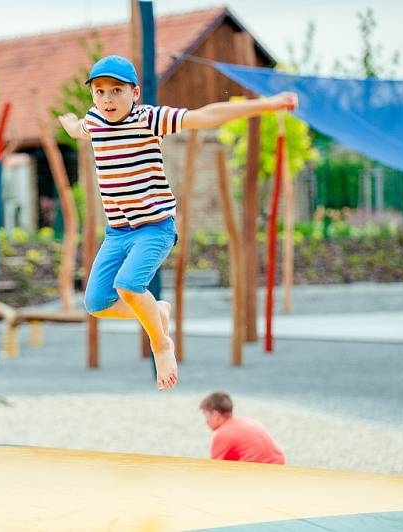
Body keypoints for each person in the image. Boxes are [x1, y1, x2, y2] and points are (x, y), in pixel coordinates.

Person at [59, 55, 297, 390]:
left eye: (116, 90)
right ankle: (158, 313)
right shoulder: (95, 120)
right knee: (96, 303)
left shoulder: (149, 119)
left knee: (128, 285)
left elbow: (205, 116)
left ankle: (162, 345)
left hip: (155, 228)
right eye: (100, 92)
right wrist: (69, 123)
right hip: (117, 232)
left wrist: (267, 105)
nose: (108, 99)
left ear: (135, 92)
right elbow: (79, 130)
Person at [200, 391, 285, 465]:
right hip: (279, 466)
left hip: (261, 474)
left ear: (215, 414)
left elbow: (212, 470)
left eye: (206, 415)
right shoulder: (249, 422)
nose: (206, 421)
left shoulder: (221, 434)